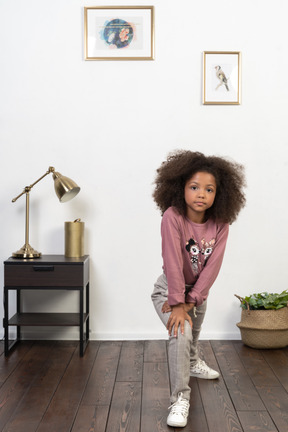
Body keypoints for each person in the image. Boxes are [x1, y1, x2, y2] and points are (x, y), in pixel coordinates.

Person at [151, 150, 246, 428]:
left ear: (220, 194)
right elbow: (172, 260)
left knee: (193, 333)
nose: (201, 194)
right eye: (194, 187)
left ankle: (192, 361)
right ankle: (180, 398)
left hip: (196, 293)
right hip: (170, 290)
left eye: (209, 189)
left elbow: (212, 266)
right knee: (181, 332)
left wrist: (193, 300)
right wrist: (178, 302)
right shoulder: (173, 216)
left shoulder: (221, 224)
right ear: (181, 188)